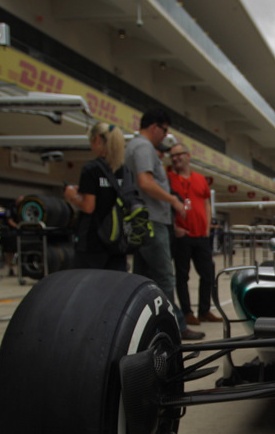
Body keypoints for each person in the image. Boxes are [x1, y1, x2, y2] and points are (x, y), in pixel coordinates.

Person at [125, 109, 203, 340]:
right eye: (165, 129)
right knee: (164, 277)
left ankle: (143, 324)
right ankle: (176, 326)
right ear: (155, 127)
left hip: (146, 220)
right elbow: (145, 182)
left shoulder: (135, 147)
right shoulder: (143, 147)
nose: (165, 135)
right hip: (152, 221)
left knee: (143, 277)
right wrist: (173, 202)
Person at [63, 121, 130, 271]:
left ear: (97, 140)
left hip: (93, 241)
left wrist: (72, 196)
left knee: (89, 286)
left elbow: (88, 207)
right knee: (114, 287)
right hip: (118, 241)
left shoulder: (91, 169)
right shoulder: (124, 171)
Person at [168, 142, 220, 327]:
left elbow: (206, 202)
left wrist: (207, 226)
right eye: (172, 156)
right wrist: (174, 226)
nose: (175, 159)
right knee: (182, 276)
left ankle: (204, 310)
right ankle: (187, 312)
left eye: (179, 154)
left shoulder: (200, 179)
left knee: (208, 273)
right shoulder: (168, 178)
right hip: (182, 236)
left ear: (188, 156)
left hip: (201, 236)